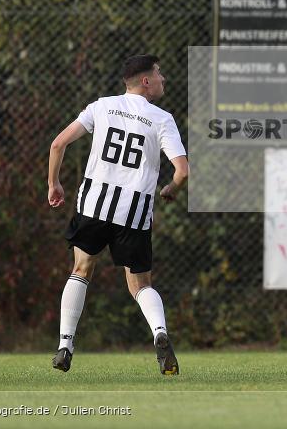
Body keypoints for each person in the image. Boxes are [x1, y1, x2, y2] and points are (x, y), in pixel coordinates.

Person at [47, 55, 188, 374]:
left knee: (81, 269)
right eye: (159, 73)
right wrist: (171, 190)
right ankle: (160, 334)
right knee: (140, 285)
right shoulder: (162, 119)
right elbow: (182, 171)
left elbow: (58, 145)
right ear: (146, 81)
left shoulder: (101, 106)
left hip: (94, 203)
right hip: (135, 212)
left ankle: (65, 345)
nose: (164, 78)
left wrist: (54, 183)